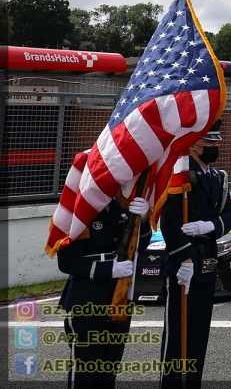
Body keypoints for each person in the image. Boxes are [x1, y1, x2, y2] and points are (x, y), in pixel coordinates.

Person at [55, 157, 152, 389]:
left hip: (118, 299)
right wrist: (110, 268)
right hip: (86, 301)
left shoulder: (120, 206)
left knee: (109, 371)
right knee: (86, 372)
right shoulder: (78, 213)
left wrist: (145, 221)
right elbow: (67, 263)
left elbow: (138, 245)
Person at [160, 119, 231, 388]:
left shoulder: (218, 177)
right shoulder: (180, 174)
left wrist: (212, 225)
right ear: (193, 145)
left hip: (207, 261)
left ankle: (192, 382)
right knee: (177, 333)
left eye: (216, 141)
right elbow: (169, 222)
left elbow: (230, 215)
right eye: (209, 142)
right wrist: (182, 258)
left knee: (199, 332)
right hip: (184, 263)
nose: (215, 146)